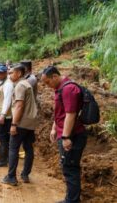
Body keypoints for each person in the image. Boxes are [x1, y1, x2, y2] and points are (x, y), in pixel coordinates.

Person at [41, 66, 87, 203]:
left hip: (73, 135)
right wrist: (54, 128)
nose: (47, 86)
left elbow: (70, 115)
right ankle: (71, 198)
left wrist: (66, 137)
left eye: (48, 82)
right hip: (64, 132)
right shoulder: (60, 88)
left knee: (70, 167)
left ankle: (72, 200)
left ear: (55, 76)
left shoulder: (68, 89)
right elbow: (60, 112)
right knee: (67, 166)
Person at [2, 64, 38, 186]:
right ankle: (25, 174)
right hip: (30, 122)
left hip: (21, 122)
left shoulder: (20, 86)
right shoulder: (27, 84)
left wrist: (13, 124)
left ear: (18, 73)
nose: (9, 75)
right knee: (28, 148)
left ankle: (11, 177)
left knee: (13, 148)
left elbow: (19, 105)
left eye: (11, 72)